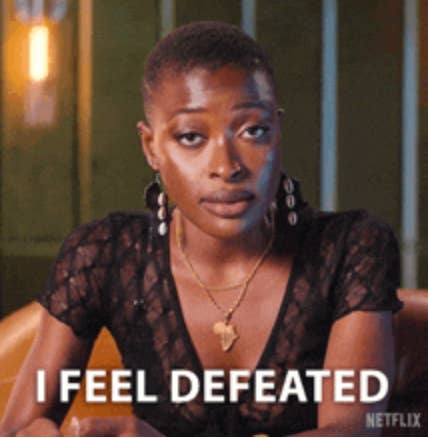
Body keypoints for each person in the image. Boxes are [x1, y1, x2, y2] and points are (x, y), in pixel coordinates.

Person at [0, 21, 403, 437]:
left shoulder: (352, 247)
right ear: (151, 147)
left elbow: (352, 432)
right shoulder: (104, 255)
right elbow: (16, 430)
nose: (227, 167)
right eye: (191, 137)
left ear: (277, 131)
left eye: (253, 131)